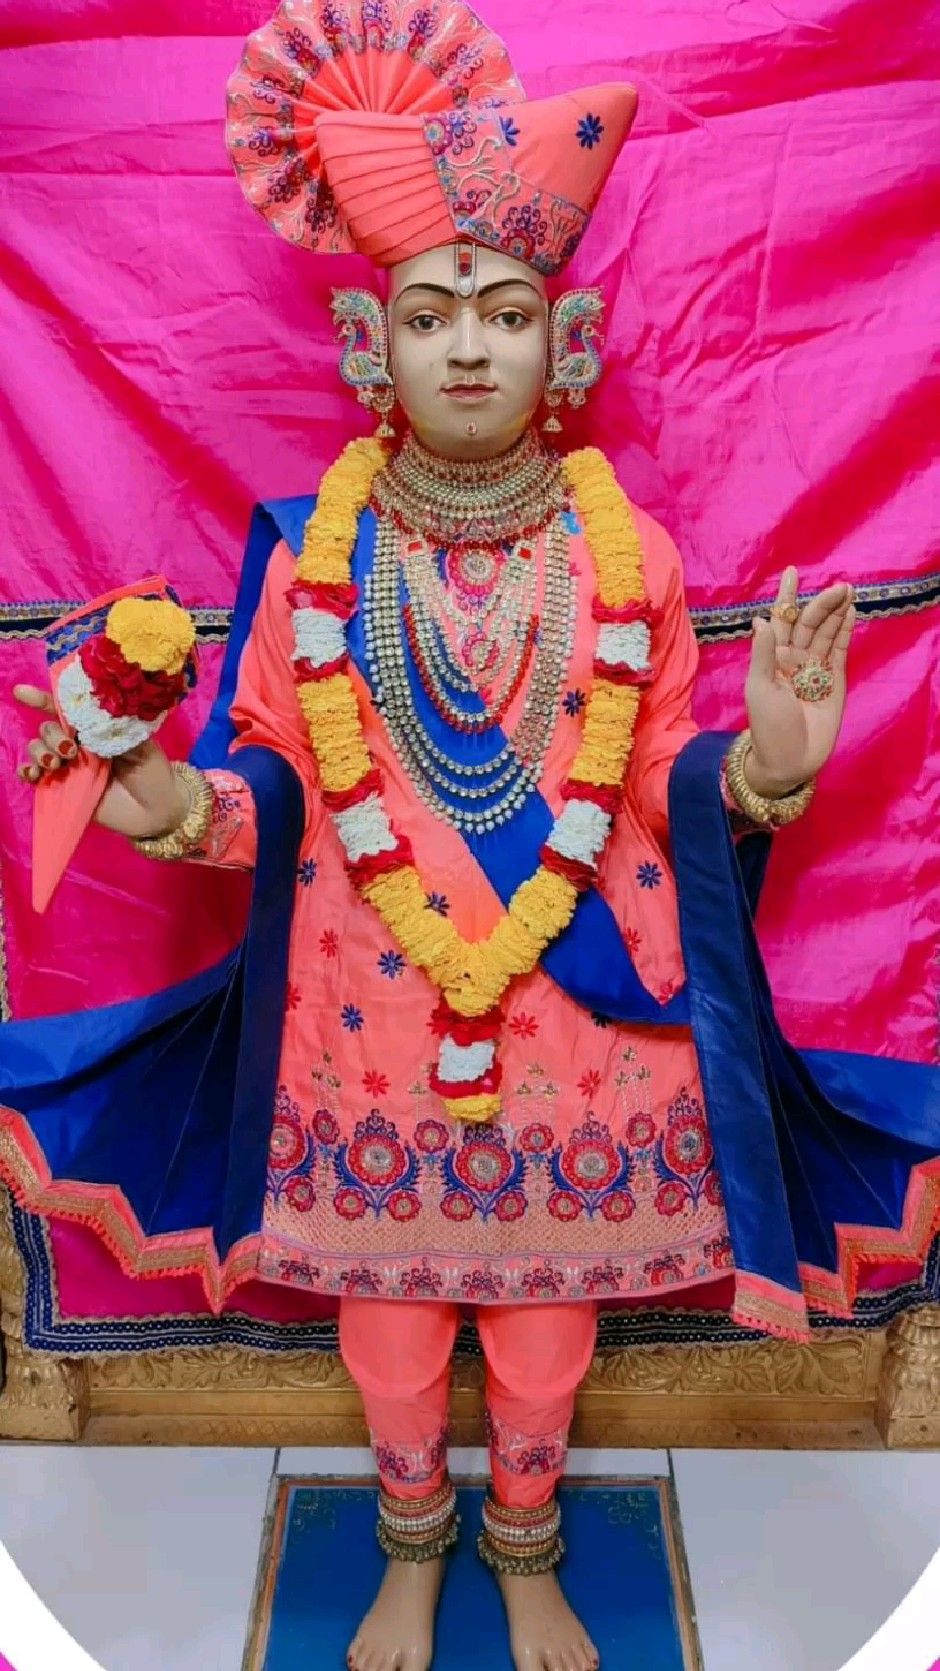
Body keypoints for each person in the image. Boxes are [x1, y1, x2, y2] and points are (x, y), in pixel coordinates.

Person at [4, 5, 937, 1669]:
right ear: (377, 349)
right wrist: (146, 795)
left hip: (579, 1018)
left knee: (548, 1340)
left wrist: (772, 765)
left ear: (557, 348)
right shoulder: (314, 554)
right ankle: (410, 1557)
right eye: (430, 315)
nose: (468, 348)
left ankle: (524, 1555)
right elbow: (270, 795)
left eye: (507, 314)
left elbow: (655, 782)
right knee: (384, 1335)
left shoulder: (624, 549)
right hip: (360, 1023)